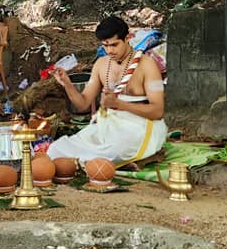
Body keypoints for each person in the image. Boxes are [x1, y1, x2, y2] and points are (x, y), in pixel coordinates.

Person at [48, 16, 167, 166]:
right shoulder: (100, 64)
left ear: (128, 37)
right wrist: (67, 84)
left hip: (139, 126)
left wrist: (119, 104)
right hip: (107, 125)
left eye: (114, 45)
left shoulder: (147, 65)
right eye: (105, 45)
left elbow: (157, 111)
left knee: (112, 152)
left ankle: (106, 161)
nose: (109, 50)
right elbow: (83, 104)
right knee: (56, 149)